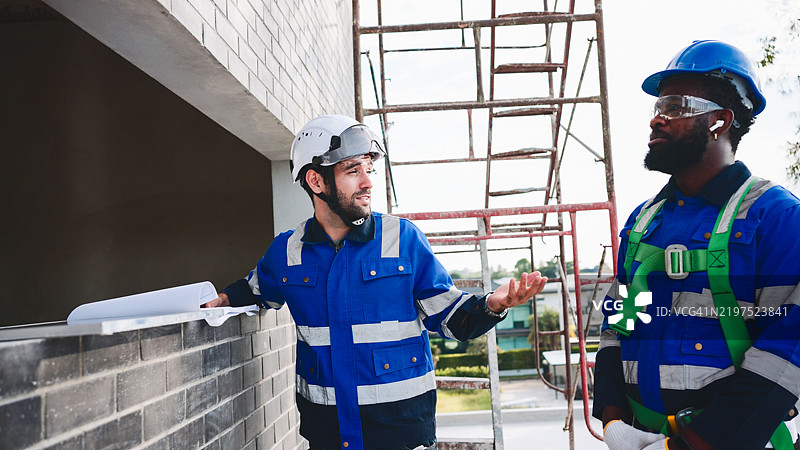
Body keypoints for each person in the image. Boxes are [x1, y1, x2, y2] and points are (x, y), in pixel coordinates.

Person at [203, 115, 548, 450]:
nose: (368, 182)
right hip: (328, 438)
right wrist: (221, 300)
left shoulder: (403, 239)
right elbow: (252, 291)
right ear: (316, 182)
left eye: (368, 169)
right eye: (353, 171)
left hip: (400, 436)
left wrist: (493, 305)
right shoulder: (287, 252)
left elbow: (451, 317)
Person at [593, 40, 800, 450]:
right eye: (657, 108)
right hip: (640, 435)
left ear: (720, 121)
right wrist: (614, 423)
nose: (657, 120)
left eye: (675, 107)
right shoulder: (644, 220)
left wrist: (689, 445)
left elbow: (788, 350)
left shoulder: (775, 216)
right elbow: (618, 323)